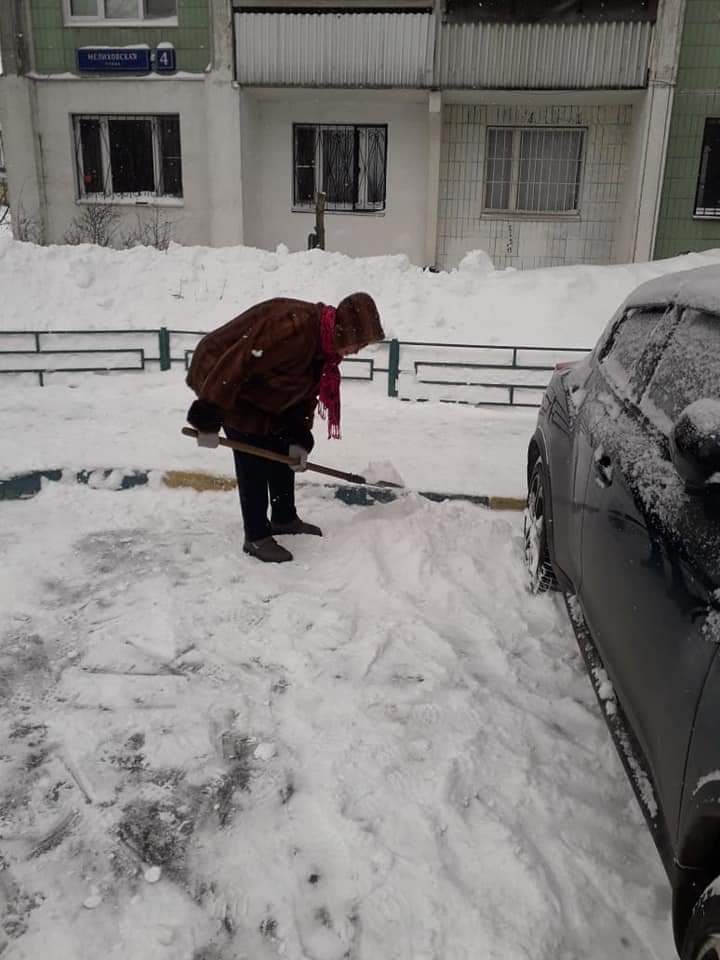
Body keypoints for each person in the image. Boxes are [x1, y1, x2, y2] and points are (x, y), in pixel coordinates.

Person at [186, 293, 385, 563]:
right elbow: (240, 360)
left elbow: (303, 394)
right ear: (343, 330)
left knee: (282, 445)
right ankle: (256, 536)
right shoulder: (292, 329)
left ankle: (283, 518)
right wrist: (209, 416)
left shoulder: (324, 350)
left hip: (260, 387)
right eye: (358, 342)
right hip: (221, 376)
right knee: (253, 450)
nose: (358, 351)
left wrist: (299, 438)